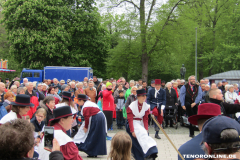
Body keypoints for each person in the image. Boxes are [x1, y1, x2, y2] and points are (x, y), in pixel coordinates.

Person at [126, 89, 158, 160]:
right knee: (139, 137)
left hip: (141, 123)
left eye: (145, 96)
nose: (144, 97)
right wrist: (132, 131)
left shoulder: (146, 106)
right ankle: (146, 152)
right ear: (138, 97)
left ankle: (149, 151)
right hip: (132, 123)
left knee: (145, 134)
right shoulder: (132, 106)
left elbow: (145, 119)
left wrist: (146, 129)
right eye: (142, 96)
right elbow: (130, 119)